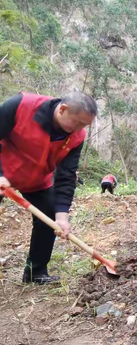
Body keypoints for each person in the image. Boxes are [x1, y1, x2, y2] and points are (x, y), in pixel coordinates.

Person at [0, 92, 97, 284]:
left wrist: (62, 216)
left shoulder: (77, 137)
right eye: (77, 123)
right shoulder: (20, 106)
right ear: (62, 109)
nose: (79, 130)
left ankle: (35, 272)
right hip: (4, 172)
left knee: (50, 215)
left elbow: (66, 176)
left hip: (37, 179)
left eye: (84, 126)